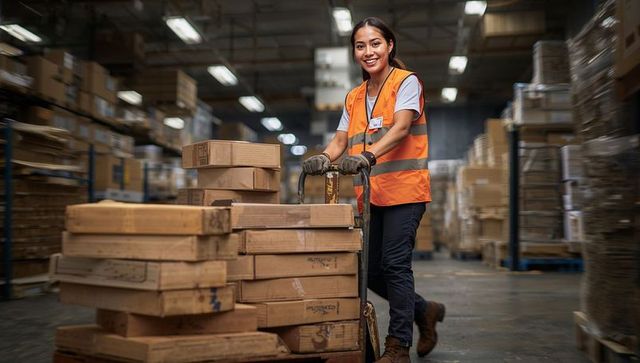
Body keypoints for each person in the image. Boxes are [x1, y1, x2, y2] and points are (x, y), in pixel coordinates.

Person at [302, 17, 446, 363]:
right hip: (371, 194)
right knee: (370, 270)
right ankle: (424, 310)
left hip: (406, 191)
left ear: (390, 46)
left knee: (395, 265)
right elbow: (340, 140)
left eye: (375, 43)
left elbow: (400, 128)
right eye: (361, 45)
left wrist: (367, 154)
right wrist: (322, 157)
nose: (369, 51)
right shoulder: (353, 97)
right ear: (355, 52)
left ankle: (398, 346)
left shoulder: (405, 82)